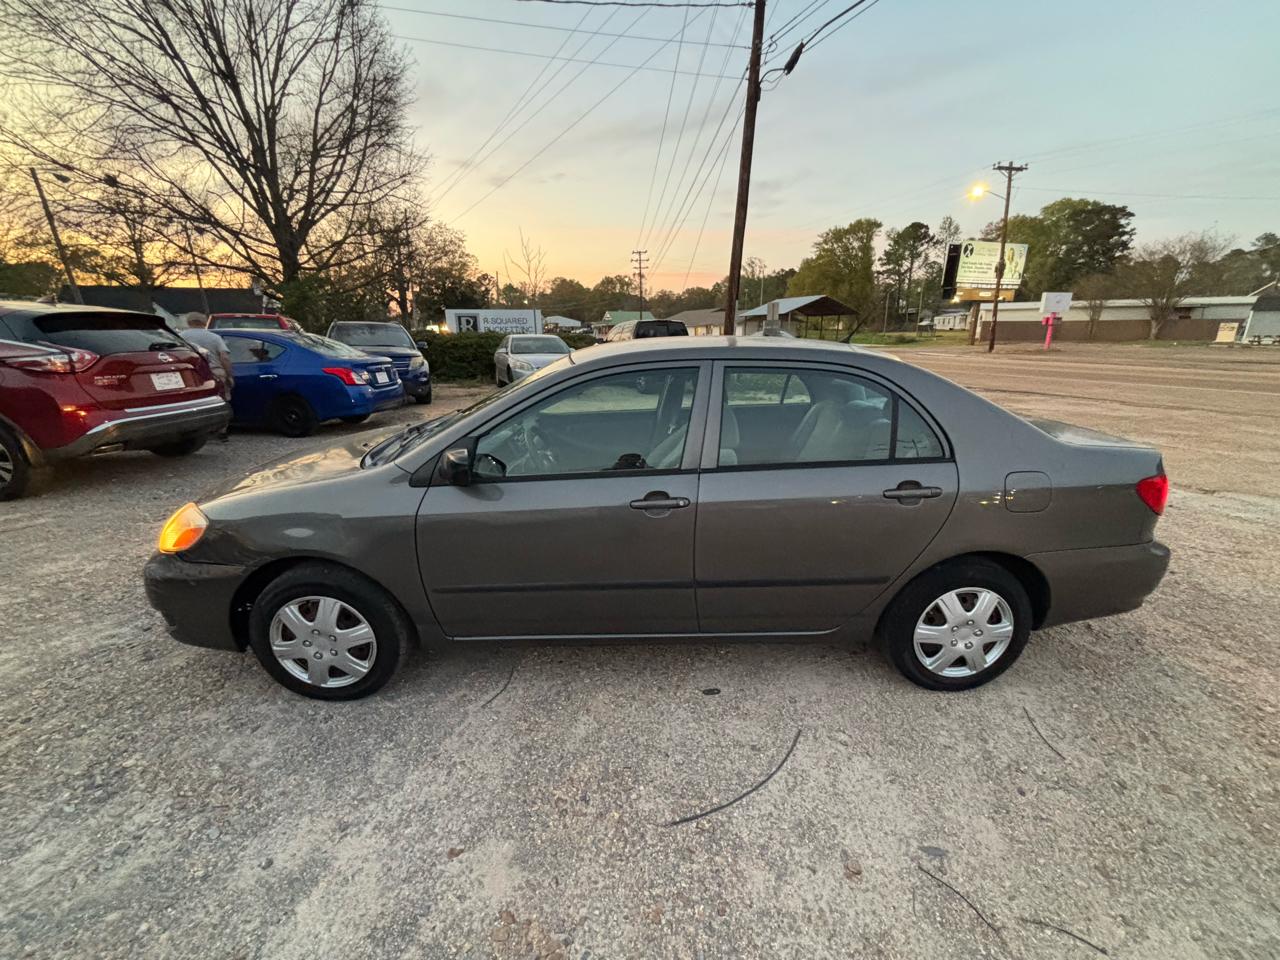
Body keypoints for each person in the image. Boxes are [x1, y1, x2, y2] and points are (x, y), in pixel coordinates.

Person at [179, 312, 234, 441]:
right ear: (204, 323)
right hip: (215, 372)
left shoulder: (180, 337)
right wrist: (229, 375)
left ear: (188, 322)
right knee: (221, 400)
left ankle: (192, 432)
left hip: (192, 373)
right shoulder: (214, 338)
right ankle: (221, 431)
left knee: (192, 403)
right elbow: (224, 357)